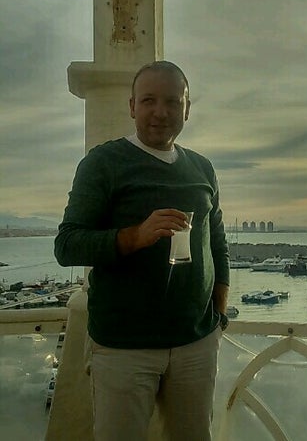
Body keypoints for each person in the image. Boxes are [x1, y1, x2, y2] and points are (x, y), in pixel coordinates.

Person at [54, 60, 230, 441]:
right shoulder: (103, 163)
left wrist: (218, 313)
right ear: (132, 106)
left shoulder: (202, 169)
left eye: (172, 101)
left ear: (186, 108)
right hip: (124, 348)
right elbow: (67, 245)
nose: (160, 112)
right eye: (149, 100)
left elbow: (217, 242)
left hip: (196, 343)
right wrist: (134, 236)